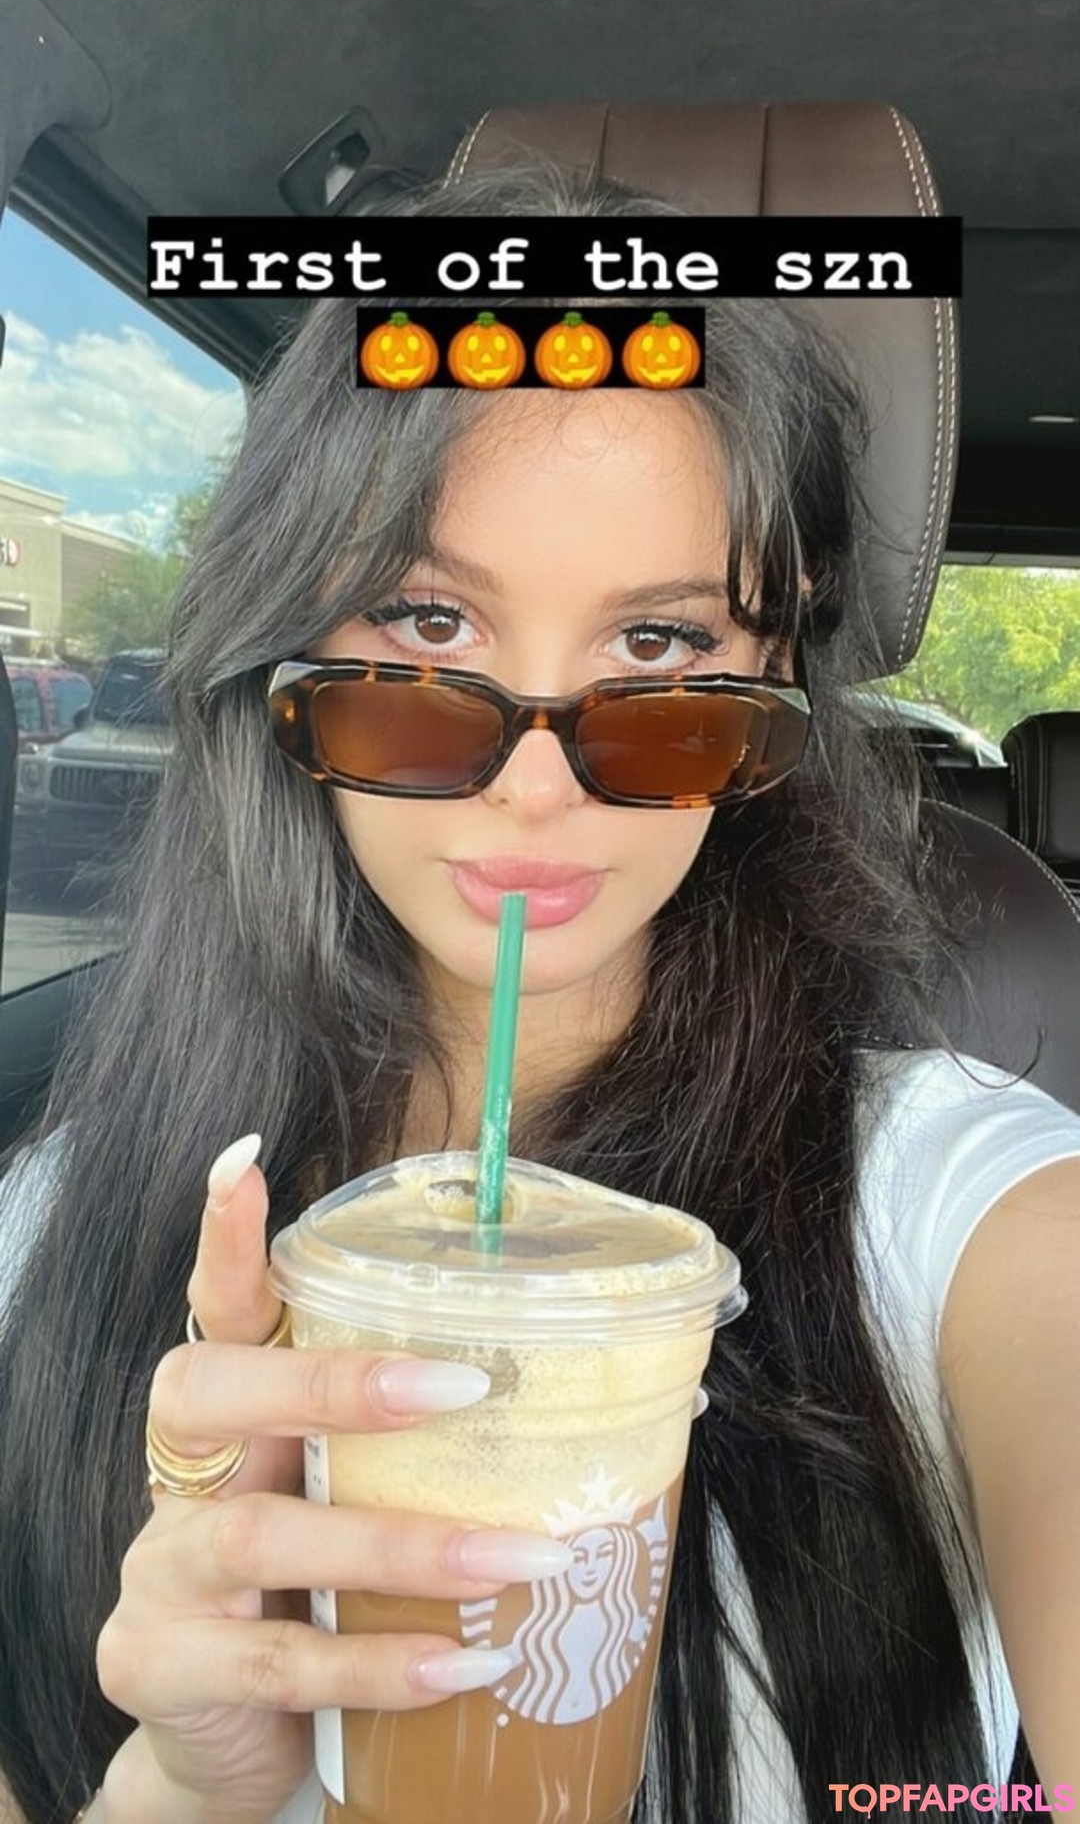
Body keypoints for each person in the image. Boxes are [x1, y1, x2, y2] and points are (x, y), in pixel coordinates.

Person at [0, 156, 1077, 1824]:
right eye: (429, 623)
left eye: (658, 651)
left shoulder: (959, 1218)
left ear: (771, 683)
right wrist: (172, 1797)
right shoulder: (47, 1236)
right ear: (285, 659)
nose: (536, 787)